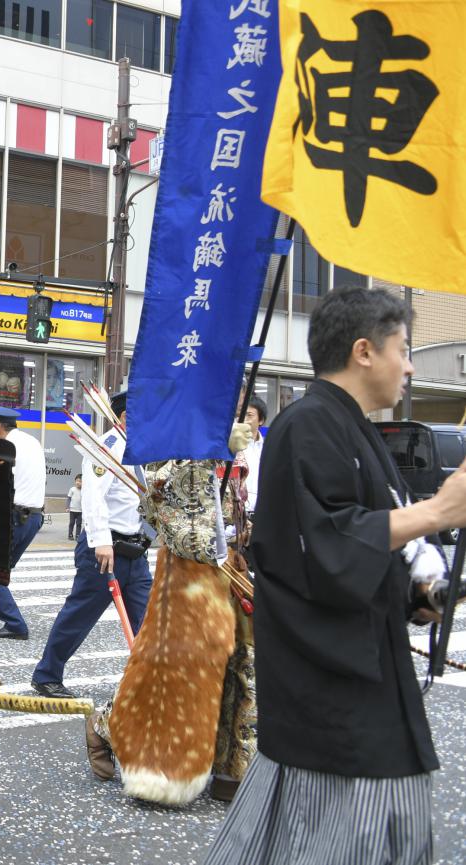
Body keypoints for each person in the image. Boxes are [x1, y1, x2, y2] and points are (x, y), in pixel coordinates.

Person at [203, 287, 466, 865]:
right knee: (330, 838)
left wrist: (422, 595)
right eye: (405, 349)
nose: (411, 365)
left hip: (364, 673)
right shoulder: (309, 424)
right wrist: (436, 512)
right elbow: (324, 546)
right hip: (330, 693)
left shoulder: (356, 429)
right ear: (365, 351)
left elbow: (367, 553)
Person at [83, 420, 257, 807]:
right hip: (188, 575)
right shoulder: (176, 438)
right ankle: (114, 731)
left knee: (240, 665)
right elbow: (164, 507)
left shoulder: (233, 438)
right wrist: (210, 452)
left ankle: (230, 766)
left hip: (231, 568)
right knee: (176, 668)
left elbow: (239, 505)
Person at [31, 388, 151, 699]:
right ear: (125, 416)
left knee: (148, 619)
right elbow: (94, 496)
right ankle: (47, 675)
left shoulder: (138, 450)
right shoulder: (107, 446)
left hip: (133, 552)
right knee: (80, 615)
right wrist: (101, 541)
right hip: (106, 549)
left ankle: (146, 683)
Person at [0, 404, 46, 640]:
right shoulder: (32, 442)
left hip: (13, 516)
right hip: (34, 517)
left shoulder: (3, 447)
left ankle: (16, 625)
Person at [239, 395, 267, 516]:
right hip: (238, 513)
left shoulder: (268, 446)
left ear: (261, 420)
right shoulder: (234, 446)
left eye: (249, 415)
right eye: (242, 414)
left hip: (263, 513)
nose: (244, 419)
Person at [67, 474, 83, 539]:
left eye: (80, 481)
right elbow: (69, 499)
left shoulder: (84, 490)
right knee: (71, 523)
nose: (78, 482)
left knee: (79, 524)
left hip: (80, 511)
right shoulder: (72, 489)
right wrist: (67, 507)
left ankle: (78, 535)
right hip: (72, 510)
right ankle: (70, 534)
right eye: (77, 481)